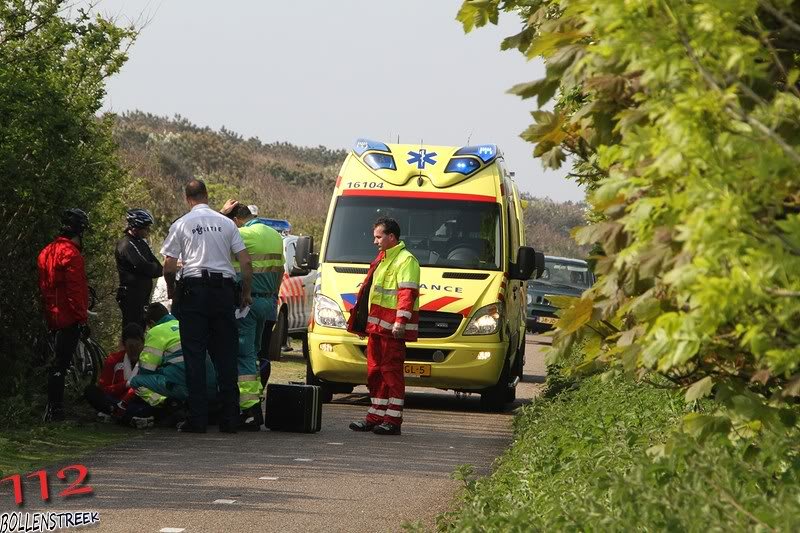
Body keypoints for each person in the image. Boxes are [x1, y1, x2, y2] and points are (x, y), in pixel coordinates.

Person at [161, 179, 253, 434]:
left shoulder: (181, 224)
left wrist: (172, 291)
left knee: (194, 356)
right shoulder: (226, 223)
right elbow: (245, 263)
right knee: (226, 355)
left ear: (187, 198)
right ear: (207, 196)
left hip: (194, 293)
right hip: (223, 293)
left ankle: (198, 419)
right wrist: (245, 293)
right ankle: (230, 419)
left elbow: (169, 266)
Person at [347, 217, 420, 435]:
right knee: (375, 373)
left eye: (378, 237)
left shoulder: (406, 260)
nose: (375, 241)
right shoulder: (383, 258)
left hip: (391, 330)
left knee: (391, 373)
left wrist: (400, 322)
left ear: (391, 237)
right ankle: (375, 416)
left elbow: (407, 294)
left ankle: (393, 419)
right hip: (377, 329)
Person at [222, 202, 284, 430]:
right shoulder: (274, 235)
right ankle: (256, 401)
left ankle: (250, 411)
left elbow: (217, 241)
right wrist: (273, 297)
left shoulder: (242, 234)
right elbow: (281, 271)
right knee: (256, 353)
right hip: (268, 301)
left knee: (244, 355)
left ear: (237, 217)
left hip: (247, 302)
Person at [37, 208, 91, 422]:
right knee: (61, 362)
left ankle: (53, 407)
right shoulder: (71, 254)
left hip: (52, 313)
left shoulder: (46, 252)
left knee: (57, 361)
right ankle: (56, 409)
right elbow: (75, 291)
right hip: (68, 316)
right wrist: (82, 318)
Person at [123, 303, 217, 420]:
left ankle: (169, 406)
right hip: (209, 387)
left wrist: (159, 368)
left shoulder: (156, 331)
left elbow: (146, 369)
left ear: (152, 323)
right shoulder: (186, 325)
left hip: (186, 388)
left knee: (137, 381)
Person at [83, 323, 155, 428]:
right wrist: (126, 384)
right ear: (124, 345)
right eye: (130, 347)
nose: (134, 350)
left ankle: (116, 415)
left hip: (138, 402)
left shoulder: (151, 360)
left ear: (143, 344)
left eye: (137, 346)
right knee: (91, 391)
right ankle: (128, 417)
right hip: (116, 402)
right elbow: (104, 389)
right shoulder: (114, 359)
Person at [115, 208, 163, 328]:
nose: (148, 231)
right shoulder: (126, 244)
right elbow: (143, 266)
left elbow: (159, 268)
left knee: (141, 329)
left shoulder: (142, 243)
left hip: (143, 296)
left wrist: (151, 269)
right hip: (131, 296)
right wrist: (150, 269)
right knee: (132, 330)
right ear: (136, 227)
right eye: (145, 227)